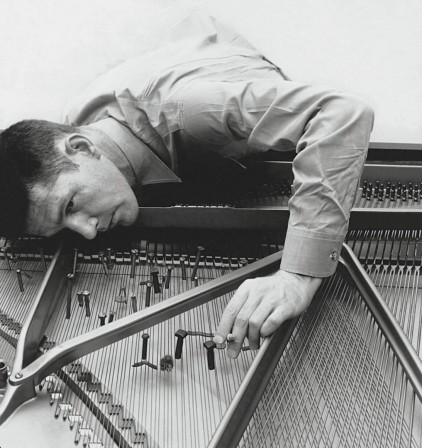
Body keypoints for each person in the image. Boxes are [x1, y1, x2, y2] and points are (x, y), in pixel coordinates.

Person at [0, 11, 374, 358]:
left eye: (70, 206)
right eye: (63, 227)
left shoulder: (192, 111)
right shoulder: (77, 126)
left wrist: (296, 278)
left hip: (219, 74)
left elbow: (342, 112)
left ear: (81, 146)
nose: (87, 232)